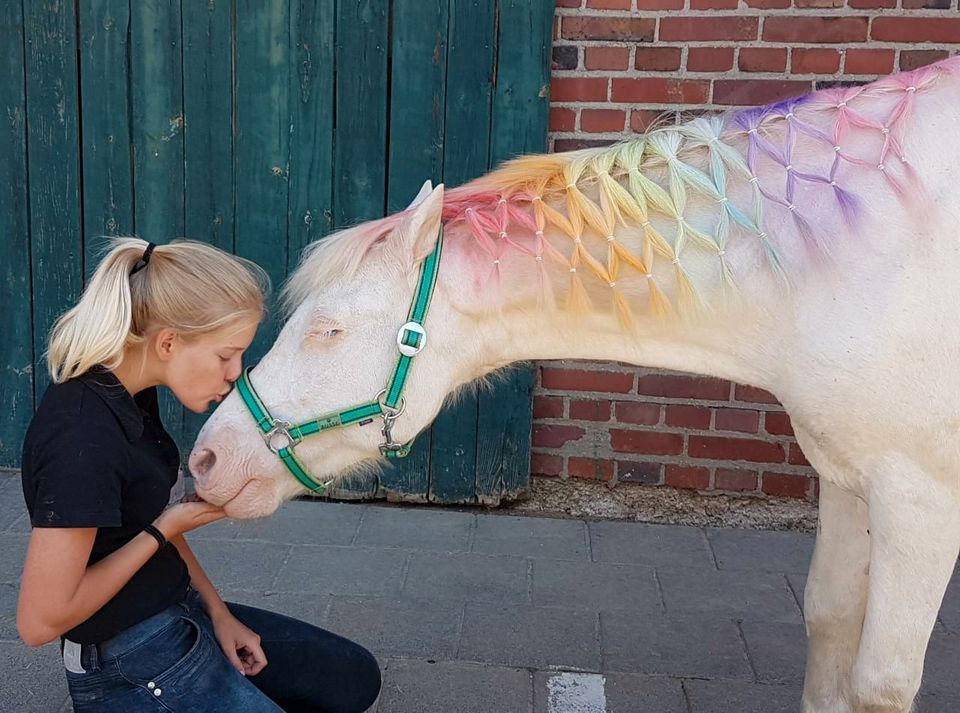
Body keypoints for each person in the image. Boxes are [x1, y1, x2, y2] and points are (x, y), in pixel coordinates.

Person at [16, 238, 382, 713]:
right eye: (226, 355)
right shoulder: (82, 438)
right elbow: (39, 622)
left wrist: (219, 614)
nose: (235, 375)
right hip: (126, 663)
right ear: (168, 342)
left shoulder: (129, 395)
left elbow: (144, 520)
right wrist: (165, 528)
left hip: (175, 612)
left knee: (351, 677)